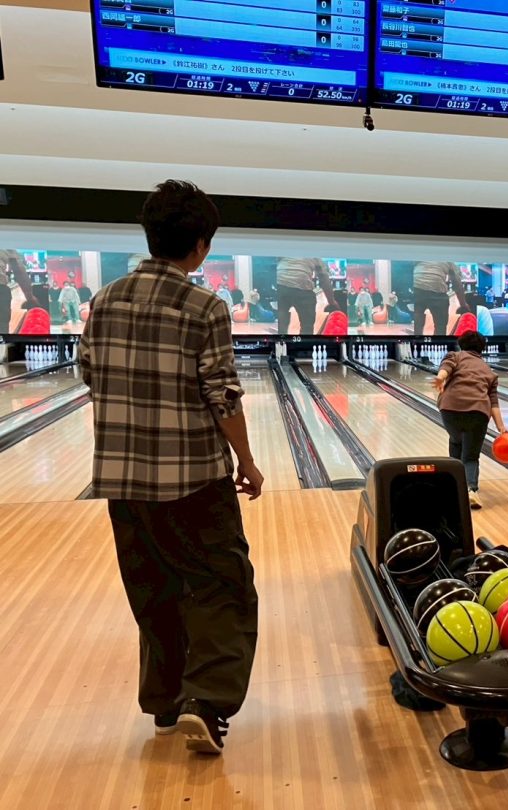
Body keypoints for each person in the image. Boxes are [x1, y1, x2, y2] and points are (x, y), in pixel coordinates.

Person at [79, 180, 263, 756]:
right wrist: (247, 461)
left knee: (154, 591)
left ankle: (164, 702)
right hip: (194, 483)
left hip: (123, 483)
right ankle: (204, 702)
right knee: (222, 588)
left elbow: (88, 373)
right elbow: (222, 394)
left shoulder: (104, 300)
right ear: (200, 245)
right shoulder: (205, 307)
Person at [432, 331, 508, 510]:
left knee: (455, 441)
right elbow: (493, 402)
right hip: (478, 413)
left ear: (461, 344)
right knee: (471, 456)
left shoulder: (455, 356)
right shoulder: (489, 371)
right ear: (482, 348)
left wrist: (441, 378)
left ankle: (453, 485)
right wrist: (501, 427)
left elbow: (446, 367)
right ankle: (470, 490)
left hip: (450, 409)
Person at [276, 257, 334, 335]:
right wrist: (332, 302)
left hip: (280, 284)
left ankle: (280, 338)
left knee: (281, 321)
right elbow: (324, 278)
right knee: (307, 327)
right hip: (303, 289)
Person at [413, 260, 466, 336]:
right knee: (440, 326)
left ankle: (416, 338)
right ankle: (439, 340)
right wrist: (463, 305)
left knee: (417, 319)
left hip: (417, 288)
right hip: (438, 293)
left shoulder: (422, 256)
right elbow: (457, 283)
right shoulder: (450, 261)